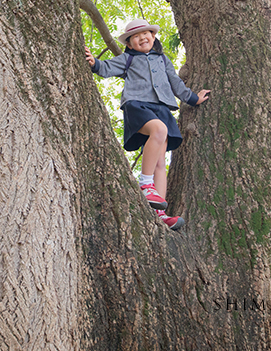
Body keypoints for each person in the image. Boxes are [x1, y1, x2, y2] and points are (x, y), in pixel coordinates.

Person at [85, 19, 210, 230]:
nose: (142, 37)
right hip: (138, 106)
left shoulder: (163, 59)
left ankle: (159, 214)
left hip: (161, 108)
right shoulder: (127, 59)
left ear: (153, 37)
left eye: (147, 34)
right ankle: (145, 184)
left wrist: (193, 99)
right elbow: (105, 68)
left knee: (161, 162)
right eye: (136, 36)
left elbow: (176, 83)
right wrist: (93, 62)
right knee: (159, 130)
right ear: (130, 44)